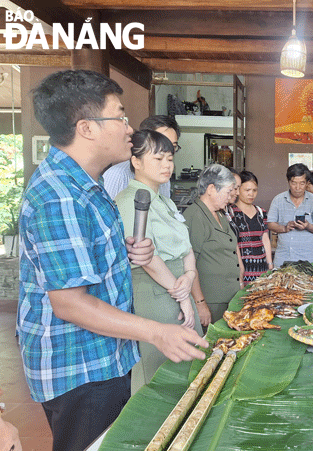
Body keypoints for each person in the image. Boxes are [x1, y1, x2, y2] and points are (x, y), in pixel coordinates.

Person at [18, 70, 207, 451]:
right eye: (120, 116)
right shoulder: (60, 196)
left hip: (106, 357)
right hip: (80, 367)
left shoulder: (89, 185)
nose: (129, 128)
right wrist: (157, 331)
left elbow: (86, 256)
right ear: (87, 128)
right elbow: (70, 302)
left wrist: (127, 249)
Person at [115, 129, 203, 393]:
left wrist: (188, 276)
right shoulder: (131, 200)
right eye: (158, 159)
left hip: (178, 285)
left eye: (170, 158)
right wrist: (183, 295)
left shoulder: (164, 200)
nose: (167, 165)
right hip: (156, 292)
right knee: (160, 374)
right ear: (136, 162)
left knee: (187, 368)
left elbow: (186, 246)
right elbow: (146, 258)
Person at [184, 165, 244, 322]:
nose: (230, 196)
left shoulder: (220, 213)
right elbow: (189, 265)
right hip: (211, 301)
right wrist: (200, 303)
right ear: (211, 189)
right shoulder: (195, 216)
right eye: (228, 191)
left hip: (229, 297)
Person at [102, 115, 181, 199]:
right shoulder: (117, 176)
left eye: (172, 146)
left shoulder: (163, 177)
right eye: (161, 144)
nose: (168, 150)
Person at [267, 163, 313, 267]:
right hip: (282, 260)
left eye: (302, 183)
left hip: (307, 261)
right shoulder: (278, 200)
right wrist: (285, 228)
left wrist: (308, 226)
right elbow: (270, 224)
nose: (298, 188)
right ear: (288, 181)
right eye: (294, 183)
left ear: (307, 183)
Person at [232, 170, 273, 282]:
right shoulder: (231, 212)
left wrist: (269, 264)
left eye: (254, 190)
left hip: (261, 268)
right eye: (247, 190)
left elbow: (265, 239)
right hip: (241, 269)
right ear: (238, 189)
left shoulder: (261, 212)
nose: (251, 194)